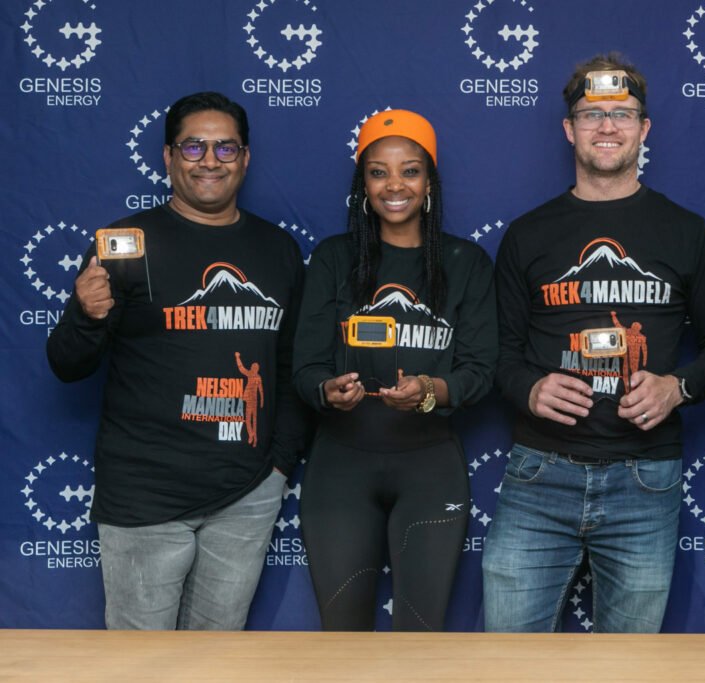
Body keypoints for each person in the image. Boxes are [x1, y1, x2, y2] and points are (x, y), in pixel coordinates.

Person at [482, 53, 705, 633]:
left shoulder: (686, 231)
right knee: (505, 662)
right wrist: (530, 389)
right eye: (592, 114)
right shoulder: (527, 234)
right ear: (569, 128)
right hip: (539, 473)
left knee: (629, 665)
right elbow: (496, 354)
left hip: (645, 479)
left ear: (644, 128)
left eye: (622, 114)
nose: (607, 126)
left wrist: (678, 387)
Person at [47, 92, 308, 630]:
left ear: (245, 158)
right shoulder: (125, 245)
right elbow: (67, 365)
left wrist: (278, 466)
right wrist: (86, 315)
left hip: (246, 494)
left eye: (225, 147)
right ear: (168, 157)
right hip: (145, 494)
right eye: (193, 147)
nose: (210, 160)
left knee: (216, 661)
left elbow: (290, 367)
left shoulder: (277, 249)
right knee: (142, 664)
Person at [292, 109, 497, 631]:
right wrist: (327, 389)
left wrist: (430, 389)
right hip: (340, 467)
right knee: (343, 642)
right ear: (363, 185)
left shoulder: (466, 263)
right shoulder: (333, 259)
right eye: (378, 172)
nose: (395, 185)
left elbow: (480, 370)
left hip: (430, 467)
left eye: (410, 170)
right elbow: (306, 366)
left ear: (429, 183)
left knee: (420, 641)